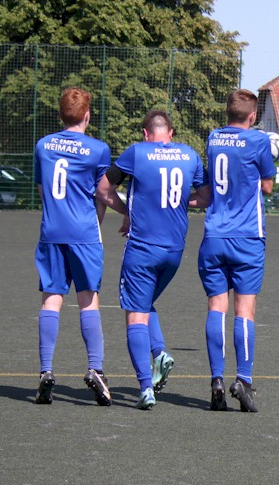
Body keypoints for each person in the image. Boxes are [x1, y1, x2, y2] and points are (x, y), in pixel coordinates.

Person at [101, 110, 209, 409]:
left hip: (142, 248)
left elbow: (103, 188)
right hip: (174, 251)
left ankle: (146, 387)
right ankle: (160, 352)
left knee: (135, 313)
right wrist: (179, 200)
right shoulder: (189, 155)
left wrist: (126, 213)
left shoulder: (137, 153)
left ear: (146, 134)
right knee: (145, 303)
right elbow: (206, 196)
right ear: (170, 134)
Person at [33, 87, 125, 406]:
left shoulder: (43, 146)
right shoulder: (98, 149)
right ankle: (95, 369)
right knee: (88, 302)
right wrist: (128, 213)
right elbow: (103, 193)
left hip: (52, 232)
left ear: (61, 115)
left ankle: (46, 372)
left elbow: (45, 191)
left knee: (51, 300)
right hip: (84, 234)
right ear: (87, 115)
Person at [199, 89, 277, 413]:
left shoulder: (214, 138)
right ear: (253, 116)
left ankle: (216, 379)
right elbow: (268, 186)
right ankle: (242, 380)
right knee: (244, 310)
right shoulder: (259, 141)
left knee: (217, 306)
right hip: (247, 236)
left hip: (214, 234)